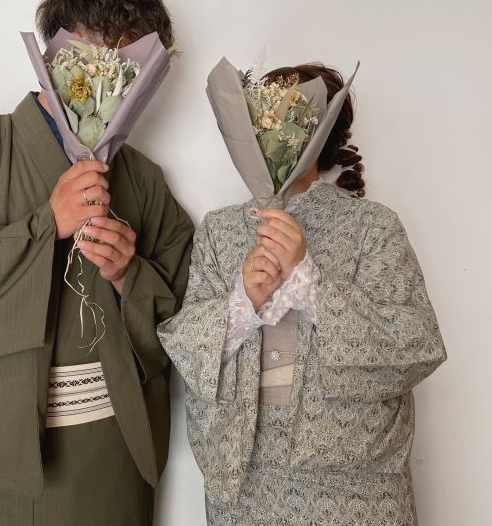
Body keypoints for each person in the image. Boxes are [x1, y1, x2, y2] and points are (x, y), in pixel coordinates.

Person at [0, 0, 194, 526]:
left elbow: (187, 313)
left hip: (112, 457)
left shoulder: (143, 181)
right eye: (96, 63)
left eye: (130, 72)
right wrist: (43, 227)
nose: (110, 88)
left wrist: (129, 276)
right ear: (54, 54)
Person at [158, 63, 447, 525]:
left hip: (356, 483)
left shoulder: (372, 226)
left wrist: (311, 284)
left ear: (320, 133)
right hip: (245, 478)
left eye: (289, 119)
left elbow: (417, 346)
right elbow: (186, 350)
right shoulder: (219, 230)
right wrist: (243, 302)